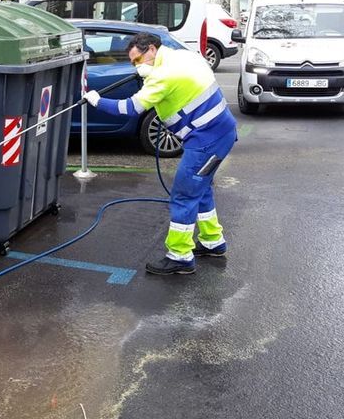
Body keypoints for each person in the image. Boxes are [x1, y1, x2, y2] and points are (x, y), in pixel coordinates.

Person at [84, 33, 238, 275]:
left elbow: (130, 108)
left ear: (152, 50)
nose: (137, 66)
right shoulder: (184, 57)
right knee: (202, 188)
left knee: (184, 195)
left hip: (206, 142)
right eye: (133, 63)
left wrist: (97, 101)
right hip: (221, 133)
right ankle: (213, 242)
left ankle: (179, 256)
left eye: (138, 60)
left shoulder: (163, 76)